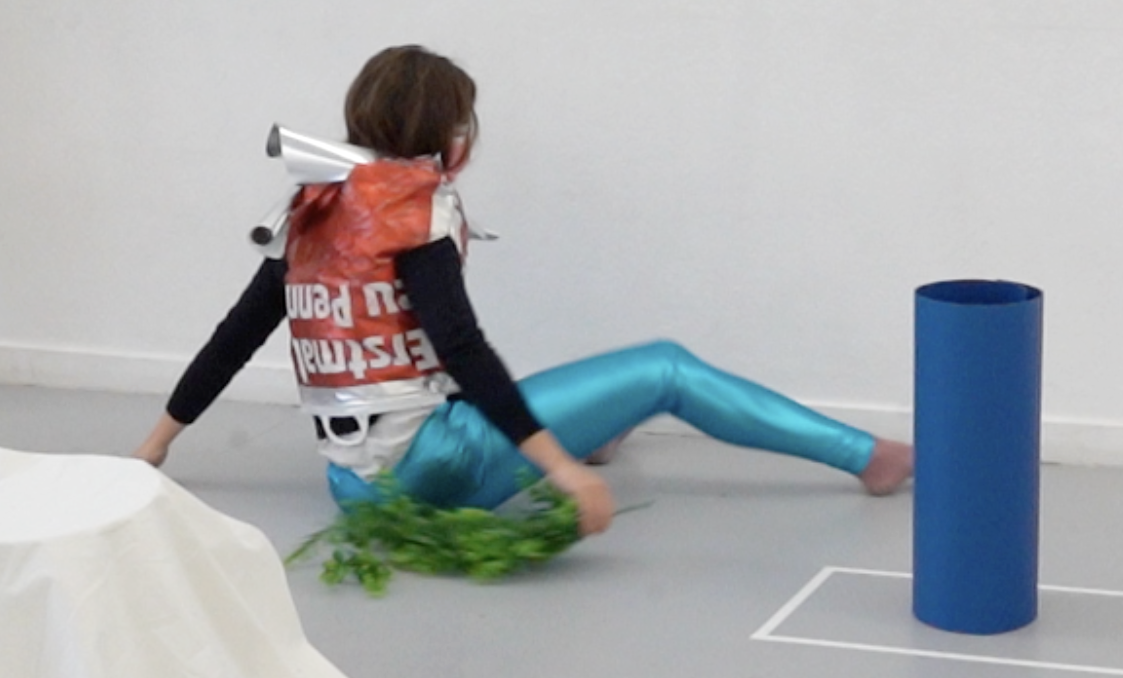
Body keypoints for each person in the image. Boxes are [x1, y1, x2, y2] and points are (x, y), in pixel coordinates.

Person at [136, 46, 912, 536]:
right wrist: (566, 475)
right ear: (451, 139)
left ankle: (592, 434)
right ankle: (868, 457)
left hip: (354, 490)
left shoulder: (310, 207)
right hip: (427, 475)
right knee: (666, 368)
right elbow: (462, 348)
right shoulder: (415, 210)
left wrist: (156, 444)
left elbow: (237, 335)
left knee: (554, 402)